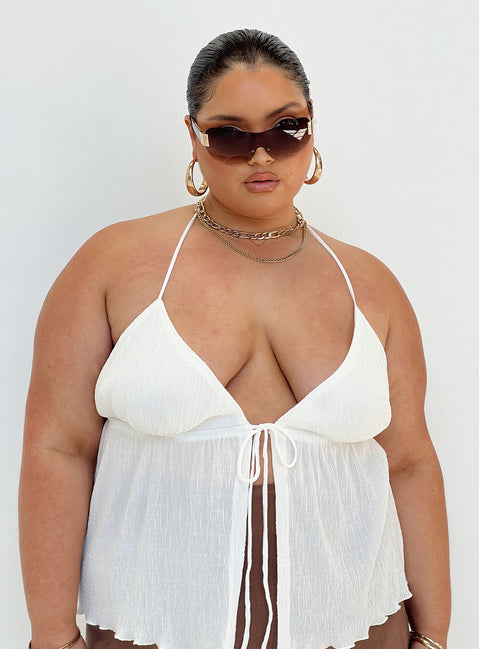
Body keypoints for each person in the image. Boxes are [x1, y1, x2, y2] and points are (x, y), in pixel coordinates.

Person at [19, 28, 450, 649]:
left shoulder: (371, 285)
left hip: (356, 621)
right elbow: (59, 448)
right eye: (230, 135)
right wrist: (52, 636)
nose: (262, 155)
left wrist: (433, 636)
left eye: (286, 128)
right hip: (155, 621)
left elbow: (409, 461)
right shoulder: (114, 265)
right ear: (193, 136)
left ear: (312, 127)